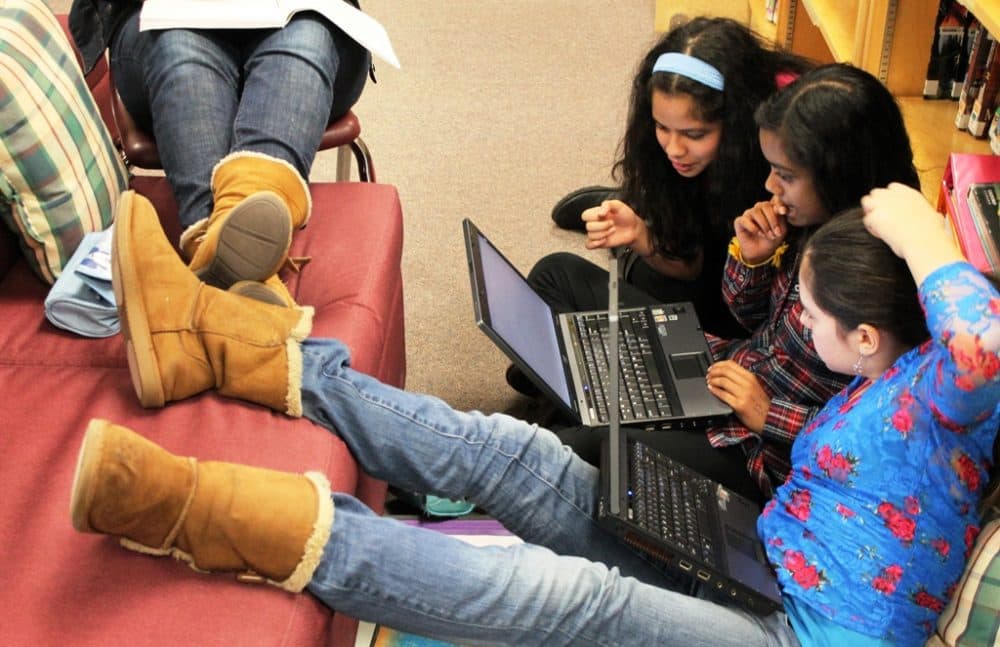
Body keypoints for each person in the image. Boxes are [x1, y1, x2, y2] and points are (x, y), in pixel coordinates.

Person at [72, 180, 999, 646]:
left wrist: (924, 231)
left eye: (812, 310)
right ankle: (228, 346)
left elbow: (985, 343)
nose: (798, 316)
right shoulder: (902, 367)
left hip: (793, 634)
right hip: (760, 558)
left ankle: (204, 519)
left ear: (871, 337)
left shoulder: (950, 393)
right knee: (519, 453)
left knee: (570, 597)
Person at [547, 63, 923, 505]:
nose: (769, 186)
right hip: (729, 368)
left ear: (837, 171)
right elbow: (754, 321)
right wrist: (754, 259)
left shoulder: (883, 267)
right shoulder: (811, 220)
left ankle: (586, 401)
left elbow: (874, 440)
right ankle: (597, 396)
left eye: (785, 175)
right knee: (557, 274)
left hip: (757, 450)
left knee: (581, 446)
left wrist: (768, 415)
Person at [525, 17, 813, 345]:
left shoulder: (780, 159)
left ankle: (638, 204)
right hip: (721, 269)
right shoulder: (679, 156)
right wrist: (643, 236)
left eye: (694, 134)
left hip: (737, 324)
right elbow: (689, 262)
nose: (674, 149)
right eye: (662, 127)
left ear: (737, 124)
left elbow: (749, 315)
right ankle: (642, 206)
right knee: (650, 258)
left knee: (606, 276)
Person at [68, 0, 372, 305]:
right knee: (178, 47)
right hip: (166, 19)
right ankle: (245, 279)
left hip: (301, 15)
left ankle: (215, 263)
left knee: (306, 39)